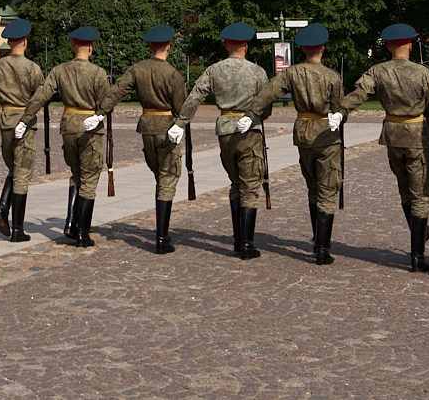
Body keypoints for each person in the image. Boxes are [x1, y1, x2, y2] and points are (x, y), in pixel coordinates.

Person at [246, 22, 346, 265]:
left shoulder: (291, 73)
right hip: (326, 134)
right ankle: (322, 248)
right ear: (322, 48)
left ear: (303, 49)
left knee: (312, 185)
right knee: (328, 187)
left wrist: (251, 114)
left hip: (303, 132)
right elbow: (340, 108)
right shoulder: (332, 76)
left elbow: (268, 93)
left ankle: (316, 237)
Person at [176, 21, 271, 260]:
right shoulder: (257, 71)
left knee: (236, 183)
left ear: (227, 45)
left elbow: (195, 96)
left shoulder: (214, 70)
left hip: (225, 131)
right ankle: (247, 244)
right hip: (249, 131)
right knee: (250, 186)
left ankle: (238, 240)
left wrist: (181, 123)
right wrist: (255, 116)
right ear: (246, 46)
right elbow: (266, 105)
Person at [349, 22, 429, 271]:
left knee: (404, 189)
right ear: (410, 45)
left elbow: (359, 93)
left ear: (389, 46)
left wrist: (340, 110)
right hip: (417, 135)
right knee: (420, 194)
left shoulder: (378, 71)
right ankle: (417, 255)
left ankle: (419, 234)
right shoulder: (422, 72)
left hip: (392, 135)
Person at [106, 23, 191, 254]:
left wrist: (100, 111)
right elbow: (181, 108)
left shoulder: (138, 69)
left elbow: (117, 90)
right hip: (167, 129)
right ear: (168, 47)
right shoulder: (172, 74)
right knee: (168, 177)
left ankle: (162, 234)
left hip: (147, 128)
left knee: (160, 177)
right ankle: (162, 238)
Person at [26, 25, 113, 248]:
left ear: (74, 46)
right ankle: (83, 233)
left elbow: (42, 94)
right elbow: (106, 104)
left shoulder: (59, 70)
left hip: (68, 127)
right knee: (89, 181)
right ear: (90, 48)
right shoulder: (98, 73)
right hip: (89, 130)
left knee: (76, 175)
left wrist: (26, 116)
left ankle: (71, 223)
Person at [0, 20, 43, 242]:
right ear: (25, 42)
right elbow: (41, 96)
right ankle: (18, 229)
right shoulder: (32, 68)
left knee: (14, 169)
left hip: (5, 122)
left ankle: (3, 208)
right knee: (22, 173)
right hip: (24, 123)